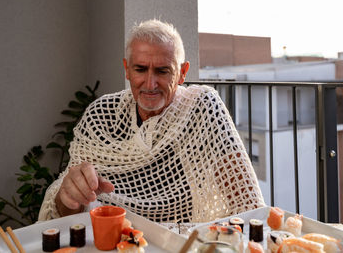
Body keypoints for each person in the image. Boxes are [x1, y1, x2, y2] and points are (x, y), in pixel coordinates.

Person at [38, 19, 265, 223]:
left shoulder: (202, 109)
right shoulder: (100, 115)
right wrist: (69, 195)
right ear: (127, 69)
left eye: (162, 71)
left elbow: (247, 202)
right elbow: (66, 212)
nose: (150, 83)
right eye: (140, 69)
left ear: (182, 73)